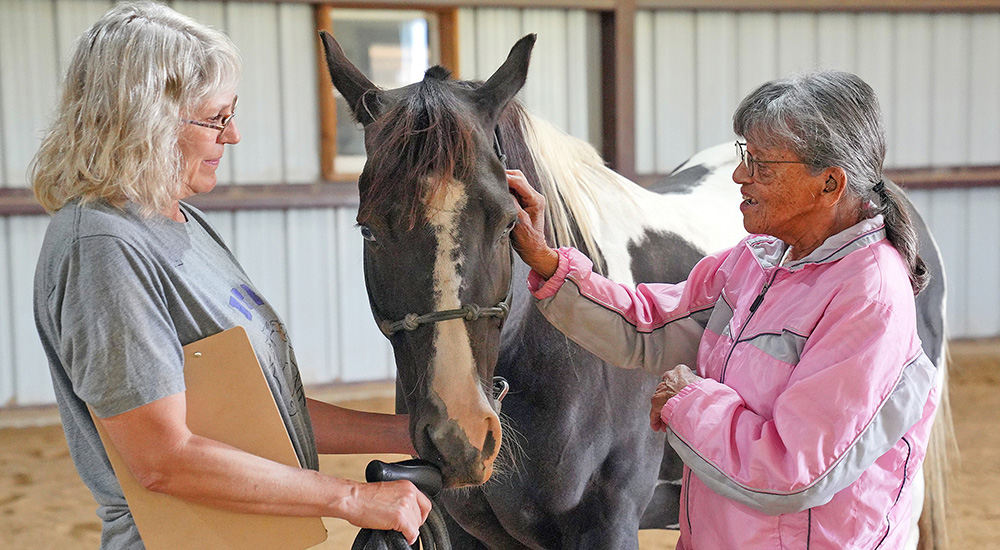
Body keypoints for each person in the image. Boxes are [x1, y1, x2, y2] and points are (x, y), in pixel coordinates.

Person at [30, 2, 430, 548]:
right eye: (217, 118)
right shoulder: (103, 247)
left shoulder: (179, 220)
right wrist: (350, 498)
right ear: (145, 118)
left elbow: (263, 414)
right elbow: (163, 459)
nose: (234, 135)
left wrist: (410, 434)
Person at [507, 70, 939, 549]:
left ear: (830, 184)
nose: (740, 176)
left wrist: (687, 398)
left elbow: (791, 469)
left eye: (761, 165)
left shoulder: (868, 297)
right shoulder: (761, 257)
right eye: (743, 156)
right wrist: (550, 263)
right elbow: (649, 322)